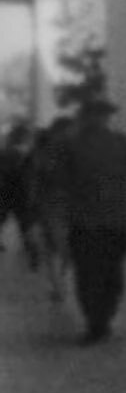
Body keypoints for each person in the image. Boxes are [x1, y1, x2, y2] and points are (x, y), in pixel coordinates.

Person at [62, 99, 126, 344]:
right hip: (114, 220)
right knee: (109, 273)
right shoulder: (123, 143)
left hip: (88, 221)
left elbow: (61, 179)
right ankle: (102, 319)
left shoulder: (71, 144)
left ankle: (97, 321)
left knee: (90, 274)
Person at [26, 116, 76, 300]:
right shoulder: (45, 153)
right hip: (51, 207)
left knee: (60, 249)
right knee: (56, 248)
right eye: (69, 131)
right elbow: (35, 182)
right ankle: (58, 286)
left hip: (62, 206)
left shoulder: (67, 151)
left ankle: (59, 284)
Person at [0, 123, 30, 257]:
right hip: (18, 189)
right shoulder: (22, 152)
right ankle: (29, 245)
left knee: (3, 217)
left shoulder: (5, 151)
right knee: (23, 219)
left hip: (5, 189)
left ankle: (29, 245)